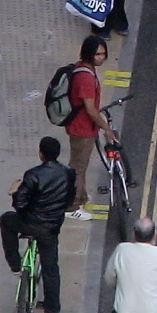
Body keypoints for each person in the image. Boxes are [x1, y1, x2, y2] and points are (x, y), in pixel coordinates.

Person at [0, 137, 75, 313]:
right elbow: (69, 200)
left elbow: (20, 203)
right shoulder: (68, 174)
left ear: (41, 153)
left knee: (6, 220)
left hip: (29, 224)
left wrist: (19, 201)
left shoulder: (33, 175)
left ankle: (15, 264)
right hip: (50, 229)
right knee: (51, 269)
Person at [64, 35, 117, 219]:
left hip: (82, 126)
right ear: (89, 54)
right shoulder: (86, 78)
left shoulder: (82, 69)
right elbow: (90, 109)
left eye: (103, 54)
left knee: (80, 165)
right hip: (82, 129)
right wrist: (106, 128)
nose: (102, 58)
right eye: (98, 54)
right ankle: (72, 207)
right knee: (78, 167)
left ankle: (81, 196)